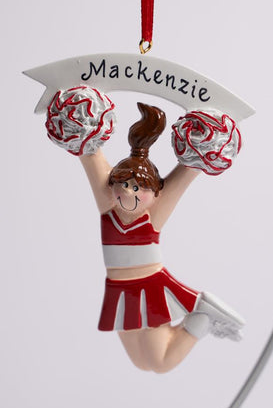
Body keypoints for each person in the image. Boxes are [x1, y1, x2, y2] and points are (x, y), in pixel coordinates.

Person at [71, 100, 245, 373]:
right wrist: (78, 125)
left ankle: (202, 318)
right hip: (119, 290)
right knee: (140, 362)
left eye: (137, 188)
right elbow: (89, 153)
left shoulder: (152, 214)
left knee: (160, 363)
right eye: (123, 184)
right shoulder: (109, 207)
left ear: (154, 195)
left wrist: (205, 141)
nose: (127, 192)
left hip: (149, 288)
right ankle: (201, 316)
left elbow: (188, 171)